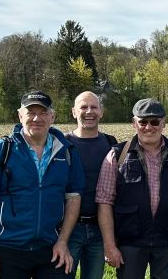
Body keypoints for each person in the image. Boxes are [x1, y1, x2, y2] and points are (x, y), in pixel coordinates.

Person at [0, 91, 85, 278]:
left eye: (43, 112)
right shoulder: (1, 149)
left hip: (50, 248)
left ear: (52, 117)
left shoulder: (67, 152)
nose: (37, 118)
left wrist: (63, 241)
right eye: (30, 112)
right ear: (20, 115)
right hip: (7, 249)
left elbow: (73, 197)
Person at [96, 98, 168, 279]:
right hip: (130, 243)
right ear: (134, 123)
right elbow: (104, 201)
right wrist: (110, 245)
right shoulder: (117, 155)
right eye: (143, 122)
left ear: (164, 123)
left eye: (155, 122)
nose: (149, 127)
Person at [65, 91, 118, 279]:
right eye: (83, 107)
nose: (89, 112)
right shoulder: (62, 144)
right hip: (68, 230)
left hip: (99, 230)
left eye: (94, 107)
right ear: (73, 112)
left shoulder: (111, 145)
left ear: (101, 112)